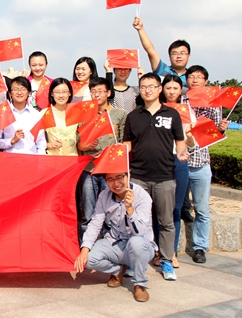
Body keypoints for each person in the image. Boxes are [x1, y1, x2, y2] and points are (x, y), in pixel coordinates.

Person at [123, 72, 189, 281]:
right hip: (138, 176)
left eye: (152, 86)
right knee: (136, 219)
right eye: (143, 87)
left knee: (166, 221)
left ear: (160, 89)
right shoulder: (133, 116)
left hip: (165, 176)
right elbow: (127, 145)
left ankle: (166, 260)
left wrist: (181, 153)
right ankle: (135, 260)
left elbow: (180, 142)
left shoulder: (172, 114)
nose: (147, 90)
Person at [74, 172, 156, 302]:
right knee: (89, 260)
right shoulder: (104, 195)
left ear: (127, 176)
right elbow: (95, 223)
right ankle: (118, 269)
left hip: (139, 246)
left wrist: (130, 209)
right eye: (110, 179)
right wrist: (84, 250)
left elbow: (140, 232)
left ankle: (140, 284)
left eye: (119, 178)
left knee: (136, 243)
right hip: (115, 242)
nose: (116, 184)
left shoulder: (142, 195)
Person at [184, 65, 229, 264]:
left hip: (201, 163)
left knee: (202, 209)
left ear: (205, 81)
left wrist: (221, 129)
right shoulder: (181, 101)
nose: (195, 80)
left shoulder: (214, 104)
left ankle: (200, 247)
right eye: (191, 76)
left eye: (199, 77)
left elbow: (217, 134)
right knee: (175, 208)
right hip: (180, 162)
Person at [77, 77, 126, 238]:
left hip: (111, 171)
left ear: (108, 93)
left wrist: (108, 154)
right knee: (87, 213)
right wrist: (87, 147)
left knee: (111, 212)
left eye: (100, 91)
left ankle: (110, 244)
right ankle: (86, 246)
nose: (96, 95)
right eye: (93, 91)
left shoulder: (119, 115)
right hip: (89, 169)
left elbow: (124, 143)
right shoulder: (84, 115)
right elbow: (79, 145)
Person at [160, 75, 196, 268]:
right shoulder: (157, 110)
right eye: (168, 88)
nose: (172, 91)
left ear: (181, 90)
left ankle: (171, 252)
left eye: (175, 88)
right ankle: (158, 250)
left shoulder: (186, 111)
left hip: (179, 161)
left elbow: (192, 143)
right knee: (157, 208)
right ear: (162, 89)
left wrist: (189, 136)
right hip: (160, 161)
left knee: (175, 208)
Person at [132, 16, 191, 90]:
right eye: (175, 53)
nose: (178, 56)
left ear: (189, 56)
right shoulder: (161, 69)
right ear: (169, 57)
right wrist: (140, 29)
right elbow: (150, 50)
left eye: (182, 53)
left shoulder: (192, 77)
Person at [0, 76, 46, 154]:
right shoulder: (2, 114)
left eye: (23, 89)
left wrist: (40, 160)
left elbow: (41, 143)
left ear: (29, 92)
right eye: (16, 89)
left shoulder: (35, 114)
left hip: (31, 158)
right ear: (10, 93)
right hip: (10, 158)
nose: (19, 93)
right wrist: (12, 140)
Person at [44, 78, 78, 155]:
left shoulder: (77, 113)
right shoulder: (45, 113)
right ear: (52, 93)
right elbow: (33, 139)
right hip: (53, 159)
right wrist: (49, 145)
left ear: (70, 93)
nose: (61, 95)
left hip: (73, 158)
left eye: (64, 92)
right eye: (57, 92)